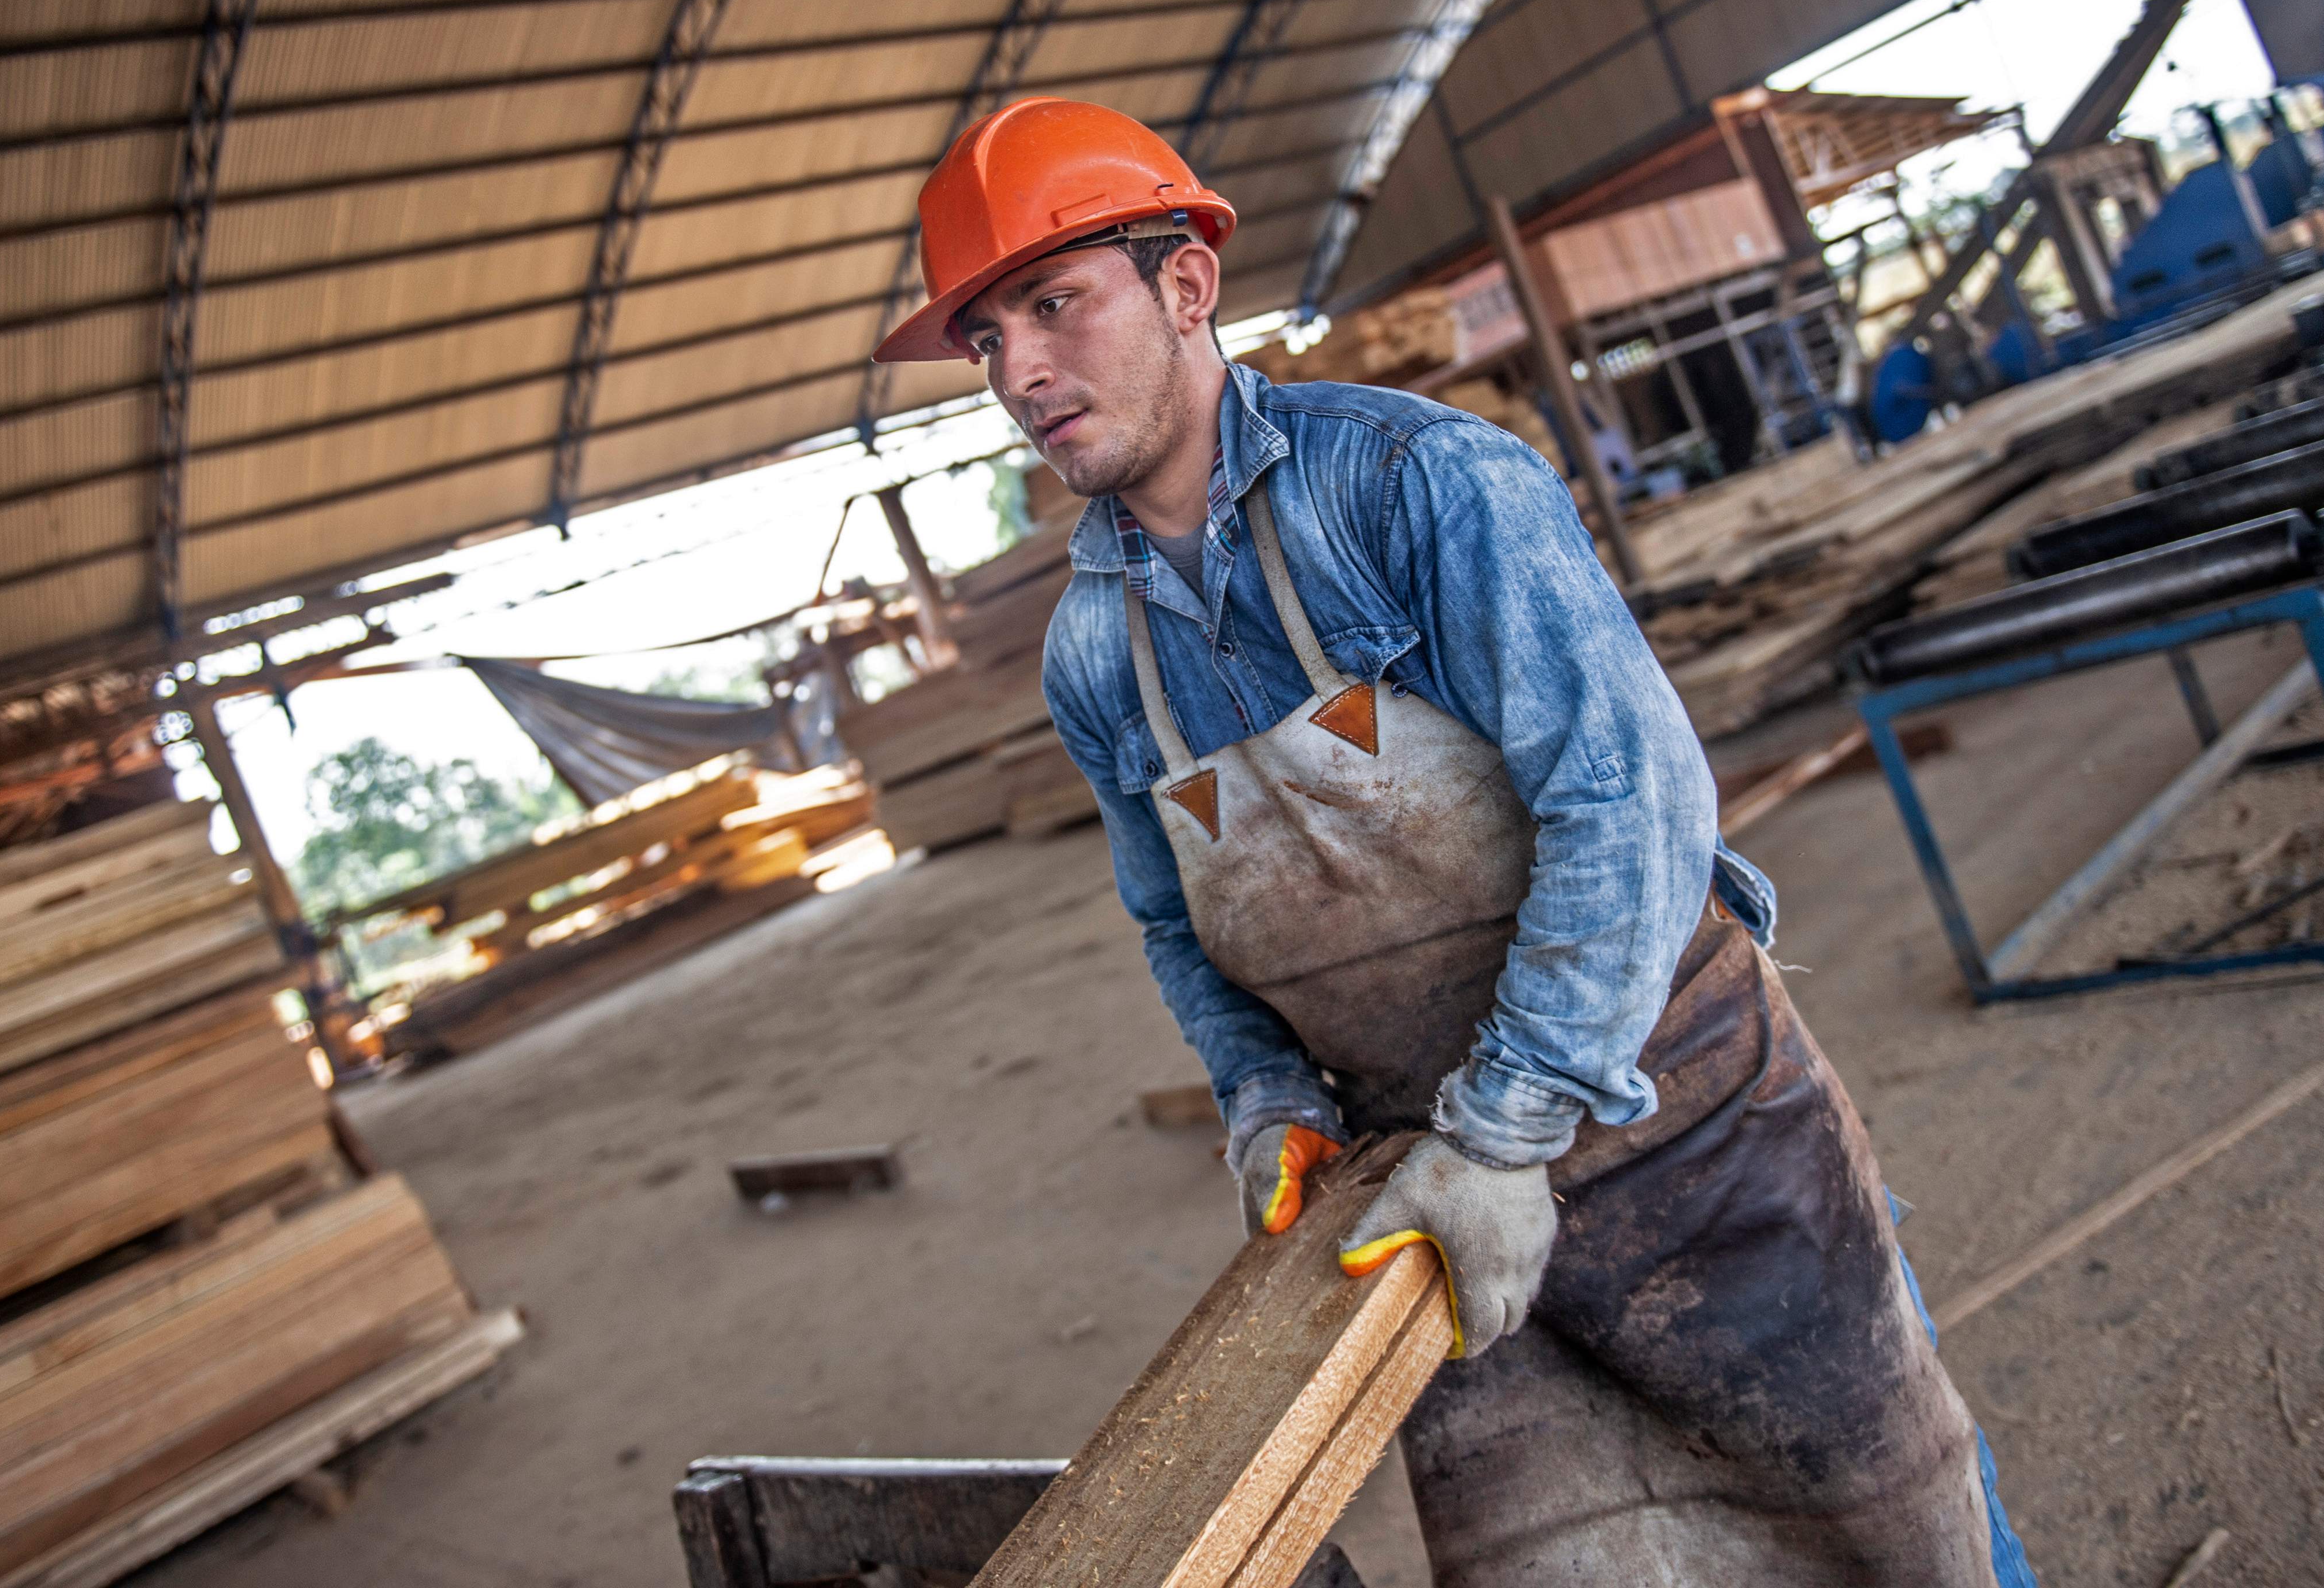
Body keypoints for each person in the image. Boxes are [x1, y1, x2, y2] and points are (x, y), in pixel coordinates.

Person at [873, 98, 2037, 1585]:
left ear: (1183, 286)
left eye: (1052, 303)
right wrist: (1266, 1099)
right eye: (983, 339)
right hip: (1442, 1227)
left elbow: (1630, 797)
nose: (1020, 369)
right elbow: (1176, 919)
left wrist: (1508, 1125)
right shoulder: (1095, 658)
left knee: (1897, 1526)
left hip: (1688, 1143)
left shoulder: (1417, 483)